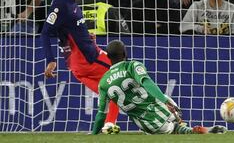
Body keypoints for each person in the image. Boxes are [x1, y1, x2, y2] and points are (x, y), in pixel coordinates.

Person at [40, 0, 119, 133]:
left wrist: (88, 38)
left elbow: (71, 31)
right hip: (89, 60)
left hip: (79, 65)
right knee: (124, 80)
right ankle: (162, 117)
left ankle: (104, 129)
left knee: (112, 94)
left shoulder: (69, 1)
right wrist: (51, 60)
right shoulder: (60, 4)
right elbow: (45, 32)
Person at [91, 40, 227, 135]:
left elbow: (101, 115)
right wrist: (164, 100)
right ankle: (198, 129)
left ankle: (183, 127)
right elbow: (147, 82)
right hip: (158, 105)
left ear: (108, 57)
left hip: (145, 123)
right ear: (125, 54)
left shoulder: (103, 82)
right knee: (175, 120)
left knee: (171, 128)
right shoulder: (132, 65)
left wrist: (94, 134)